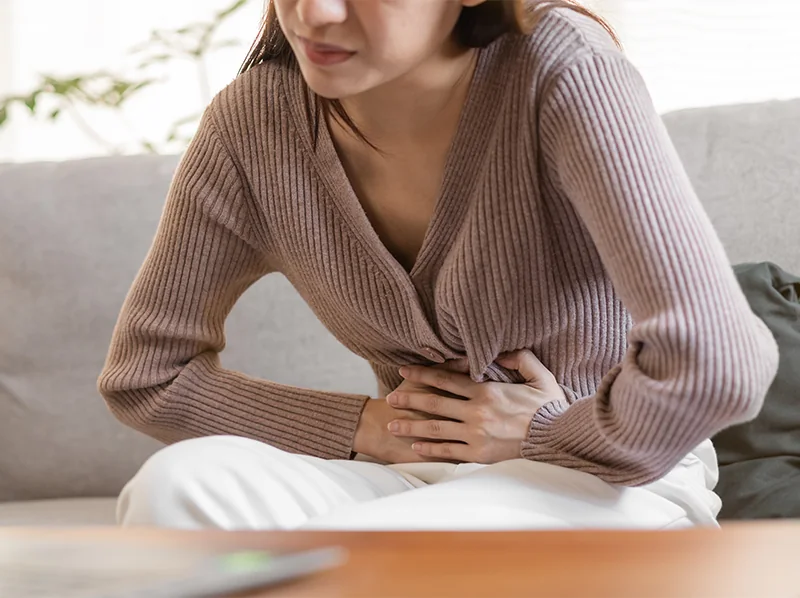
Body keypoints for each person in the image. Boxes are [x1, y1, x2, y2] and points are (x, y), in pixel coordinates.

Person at [98, 0, 779, 531]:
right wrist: (374, 428)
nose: (315, 13)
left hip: (612, 481)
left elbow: (719, 360)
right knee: (179, 489)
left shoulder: (562, 71)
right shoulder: (254, 126)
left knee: (380, 547)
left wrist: (544, 432)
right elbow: (147, 376)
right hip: (418, 478)